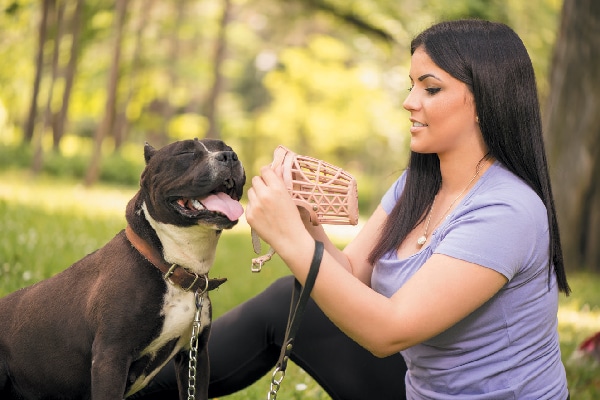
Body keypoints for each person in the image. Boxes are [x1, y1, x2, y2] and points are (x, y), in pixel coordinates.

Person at [133, 18, 570, 399]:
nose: (409, 101)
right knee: (288, 300)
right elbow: (352, 272)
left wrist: (287, 239)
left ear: (485, 101)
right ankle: (127, 390)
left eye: (431, 88)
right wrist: (307, 228)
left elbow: (388, 331)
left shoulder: (507, 211)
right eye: (411, 84)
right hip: (418, 388)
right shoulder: (419, 184)